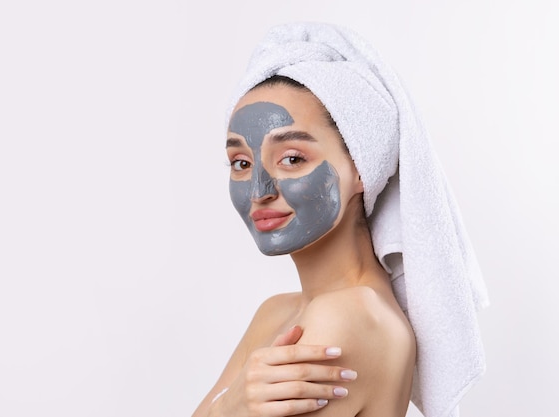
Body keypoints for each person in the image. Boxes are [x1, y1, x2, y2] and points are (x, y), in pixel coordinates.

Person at [193, 22, 488, 417]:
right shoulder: (275, 313)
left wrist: (225, 410)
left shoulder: (349, 316)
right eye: (242, 163)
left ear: (362, 167)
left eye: (292, 159)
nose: (258, 190)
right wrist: (230, 406)